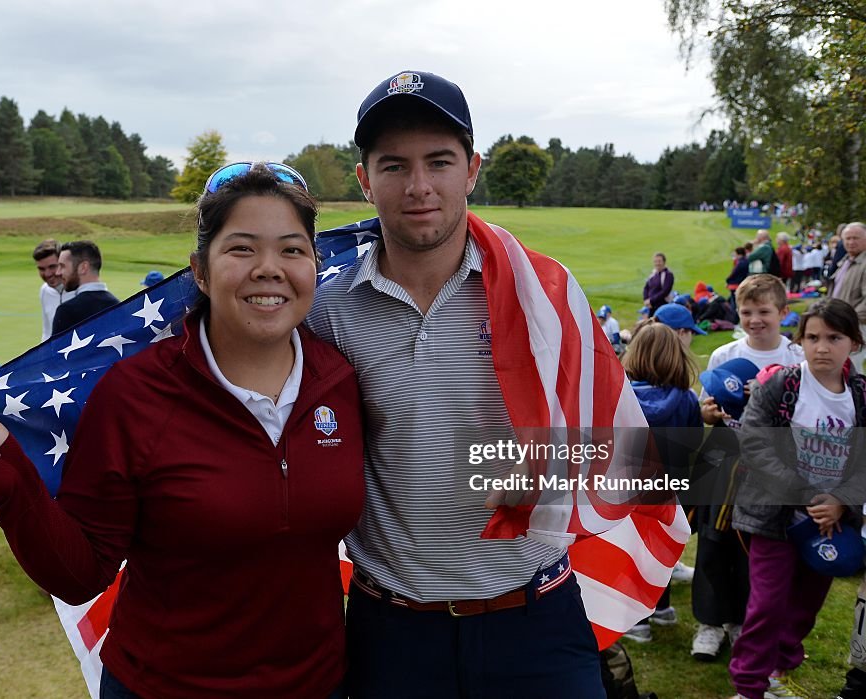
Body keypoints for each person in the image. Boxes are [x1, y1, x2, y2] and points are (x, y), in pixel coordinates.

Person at [0, 163, 364, 699]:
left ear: (315, 262)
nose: (269, 268)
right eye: (241, 248)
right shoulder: (134, 392)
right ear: (201, 272)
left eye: (291, 249)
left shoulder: (342, 379)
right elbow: (81, 573)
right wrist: (10, 486)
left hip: (319, 685)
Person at [306, 69, 638, 698]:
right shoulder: (330, 311)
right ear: (363, 180)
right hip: (394, 632)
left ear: (473, 168)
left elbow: (627, 448)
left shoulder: (547, 292)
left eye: (439, 161)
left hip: (534, 622)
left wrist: (548, 465)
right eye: (394, 165)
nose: (419, 186)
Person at [729, 298, 866, 699]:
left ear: (854, 344)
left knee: (806, 605)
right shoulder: (783, 385)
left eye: (833, 338)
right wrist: (804, 494)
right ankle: (749, 686)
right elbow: (754, 443)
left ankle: (778, 668)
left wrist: (841, 500)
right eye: (812, 337)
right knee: (767, 604)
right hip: (774, 518)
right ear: (800, 341)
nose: (821, 347)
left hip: (831, 521)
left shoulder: (859, 395)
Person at [690, 274, 803, 662]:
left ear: (783, 313)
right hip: (724, 454)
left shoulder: (796, 359)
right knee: (712, 544)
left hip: (771, 464)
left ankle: (742, 621)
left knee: (755, 547)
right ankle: (709, 622)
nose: (755, 319)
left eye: (764, 312)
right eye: (747, 311)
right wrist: (707, 412)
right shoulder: (724, 354)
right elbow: (707, 410)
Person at [619, 323, 702, 643]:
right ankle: (663, 608)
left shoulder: (623, 395)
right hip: (672, 490)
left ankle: (638, 622)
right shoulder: (687, 400)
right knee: (661, 551)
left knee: (634, 553)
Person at [50, 240, 119, 336]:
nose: (58, 272)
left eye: (62, 266)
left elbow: (55, 350)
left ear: (83, 267)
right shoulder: (118, 306)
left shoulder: (67, 310)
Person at [831, 222, 866, 373]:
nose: (851, 242)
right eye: (848, 238)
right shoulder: (846, 260)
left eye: (856, 238)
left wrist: (850, 319)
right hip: (838, 322)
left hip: (854, 324)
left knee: (852, 367)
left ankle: (857, 396)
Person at [33, 239, 76, 342]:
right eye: (41, 269)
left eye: (52, 267)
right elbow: (47, 333)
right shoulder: (44, 290)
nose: (47, 274)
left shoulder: (82, 291)